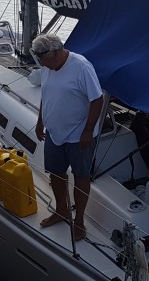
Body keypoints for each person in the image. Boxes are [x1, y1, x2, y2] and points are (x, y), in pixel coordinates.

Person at [32, 33, 103, 241]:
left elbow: (97, 100)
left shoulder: (81, 66)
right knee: (56, 172)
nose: (42, 64)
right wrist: (40, 121)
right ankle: (62, 210)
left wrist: (88, 131)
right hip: (54, 132)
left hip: (78, 134)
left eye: (43, 60)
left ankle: (79, 220)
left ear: (55, 53)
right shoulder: (48, 67)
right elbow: (46, 95)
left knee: (81, 175)